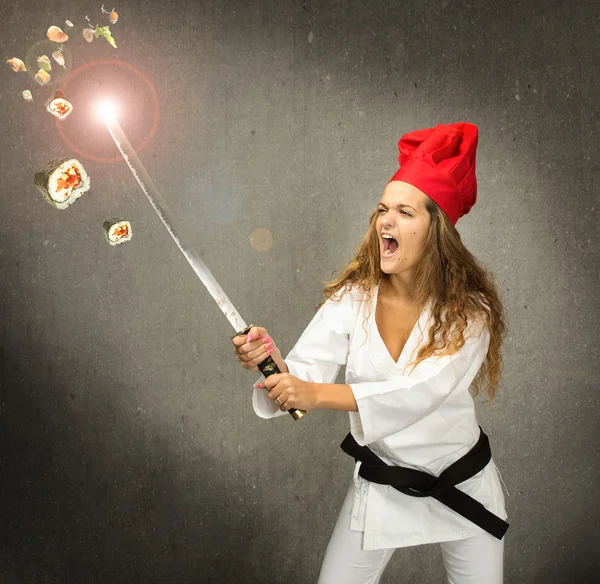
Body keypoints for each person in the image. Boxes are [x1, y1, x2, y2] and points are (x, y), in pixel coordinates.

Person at [232, 122, 510, 584]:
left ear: (436, 229)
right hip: (382, 483)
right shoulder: (353, 299)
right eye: (383, 209)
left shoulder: (470, 313)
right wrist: (274, 367)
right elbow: (301, 376)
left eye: (404, 211)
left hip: (463, 483)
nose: (386, 220)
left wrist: (315, 394)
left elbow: (418, 392)